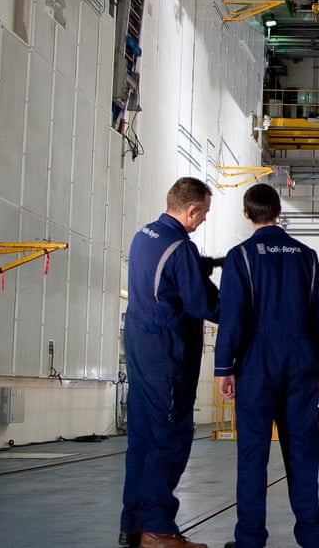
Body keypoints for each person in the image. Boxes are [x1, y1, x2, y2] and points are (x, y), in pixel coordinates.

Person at [215, 184, 319, 548]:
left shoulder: (240, 256)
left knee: (252, 455)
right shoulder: (307, 257)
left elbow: (232, 317)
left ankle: (250, 539)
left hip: (255, 367)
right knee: (303, 454)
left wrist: (224, 368)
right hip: (301, 366)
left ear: (246, 214)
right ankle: (312, 539)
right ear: (279, 211)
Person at [120, 177, 220, 548]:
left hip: (140, 348)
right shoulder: (181, 249)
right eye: (204, 213)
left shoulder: (145, 235)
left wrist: (202, 264)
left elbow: (167, 276)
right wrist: (247, 310)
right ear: (191, 210)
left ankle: (133, 526)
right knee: (169, 439)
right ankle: (158, 531)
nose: (204, 219)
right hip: (168, 354)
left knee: (142, 439)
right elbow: (204, 304)